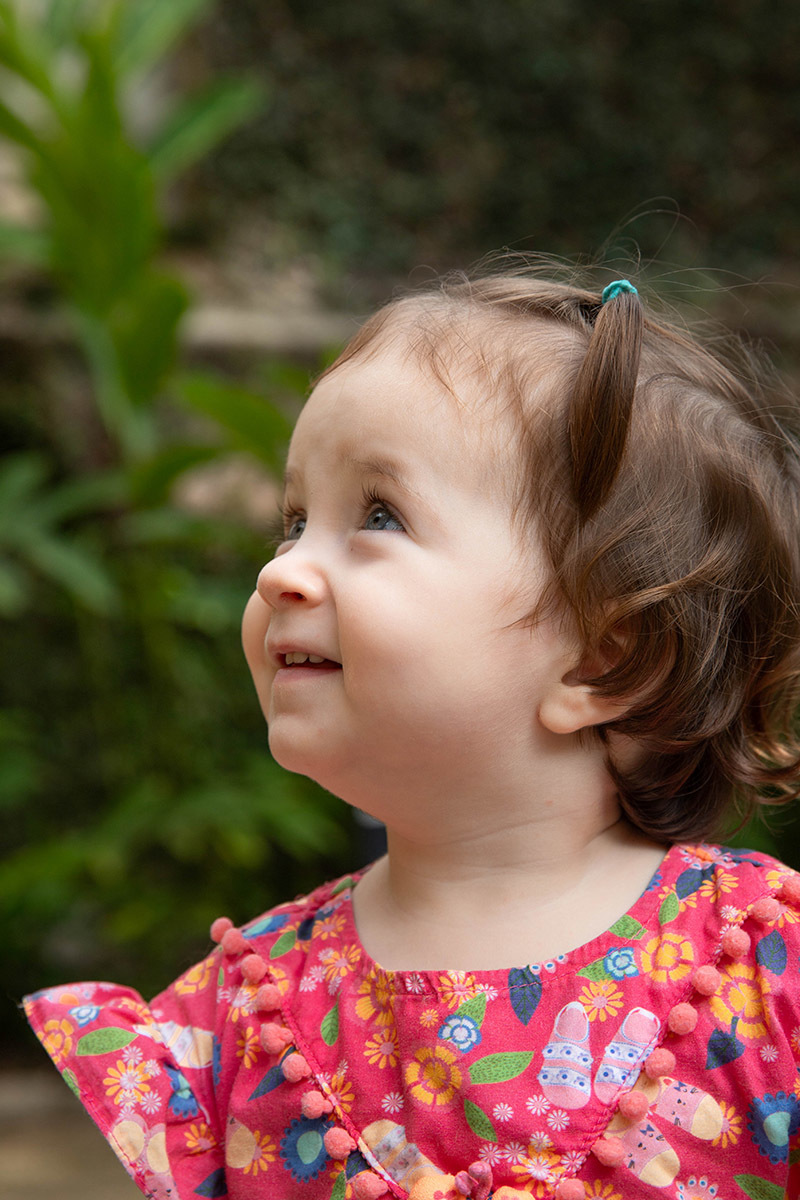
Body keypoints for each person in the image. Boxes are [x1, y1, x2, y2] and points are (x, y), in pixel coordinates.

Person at [23, 264, 800, 1199]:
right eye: (294, 521)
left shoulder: (763, 969)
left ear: (601, 657)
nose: (283, 574)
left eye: (379, 515)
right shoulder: (247, 1013)